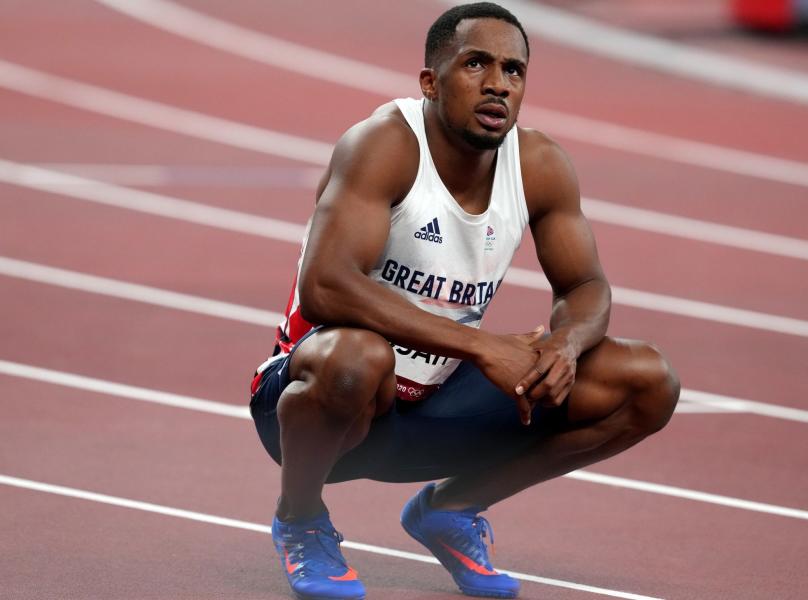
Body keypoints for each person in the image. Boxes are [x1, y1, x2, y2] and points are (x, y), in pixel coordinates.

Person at [249, 3, 680, 599]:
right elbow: (326, 285)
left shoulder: (540, 165)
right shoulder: (384, 146)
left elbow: (585, 288)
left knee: (647, 379)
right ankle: (300, 520)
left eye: (513, 69)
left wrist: (565, 345)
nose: (498, 83)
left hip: (434, 407)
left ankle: (451, 510)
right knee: (356, 357)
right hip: (327, 405)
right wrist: (483, 346)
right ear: (431, 80)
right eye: (476, 63)